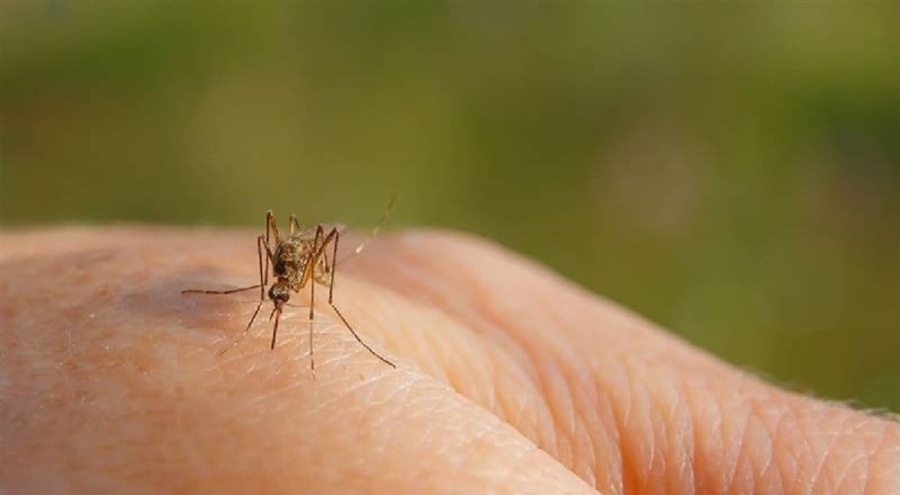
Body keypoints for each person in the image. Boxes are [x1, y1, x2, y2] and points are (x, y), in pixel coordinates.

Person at [0, 227, 896, 494]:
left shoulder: (303, 269)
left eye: (276, 284)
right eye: (274, 286)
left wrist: (318, 300)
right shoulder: (270, 274)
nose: (274, 293)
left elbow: (307, 257)